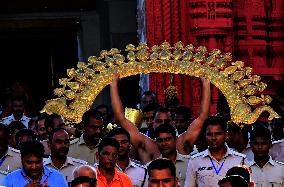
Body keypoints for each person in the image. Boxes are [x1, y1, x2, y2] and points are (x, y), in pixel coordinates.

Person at [110, 75, 210, 163]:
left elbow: (203, 118)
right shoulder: (146, 145)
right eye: (159, 121)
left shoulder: (181, 143)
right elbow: (121, 119)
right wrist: (113, 85)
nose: (162, 124)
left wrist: (206, 84)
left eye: (166, 121)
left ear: (173, 123)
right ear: (152, 123)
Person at [184, 116, 248, 187]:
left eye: (218, 134)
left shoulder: (240, 159)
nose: (213, 138)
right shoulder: (195, 161)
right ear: (204, 135)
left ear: (226, 135)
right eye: (209, 134)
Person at [2, 140, 68, 186]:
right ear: (21, 159)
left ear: (43, 159)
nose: (34, 167)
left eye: (38, 162)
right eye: (29, 163)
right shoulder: (10, 179)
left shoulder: (58, 177)